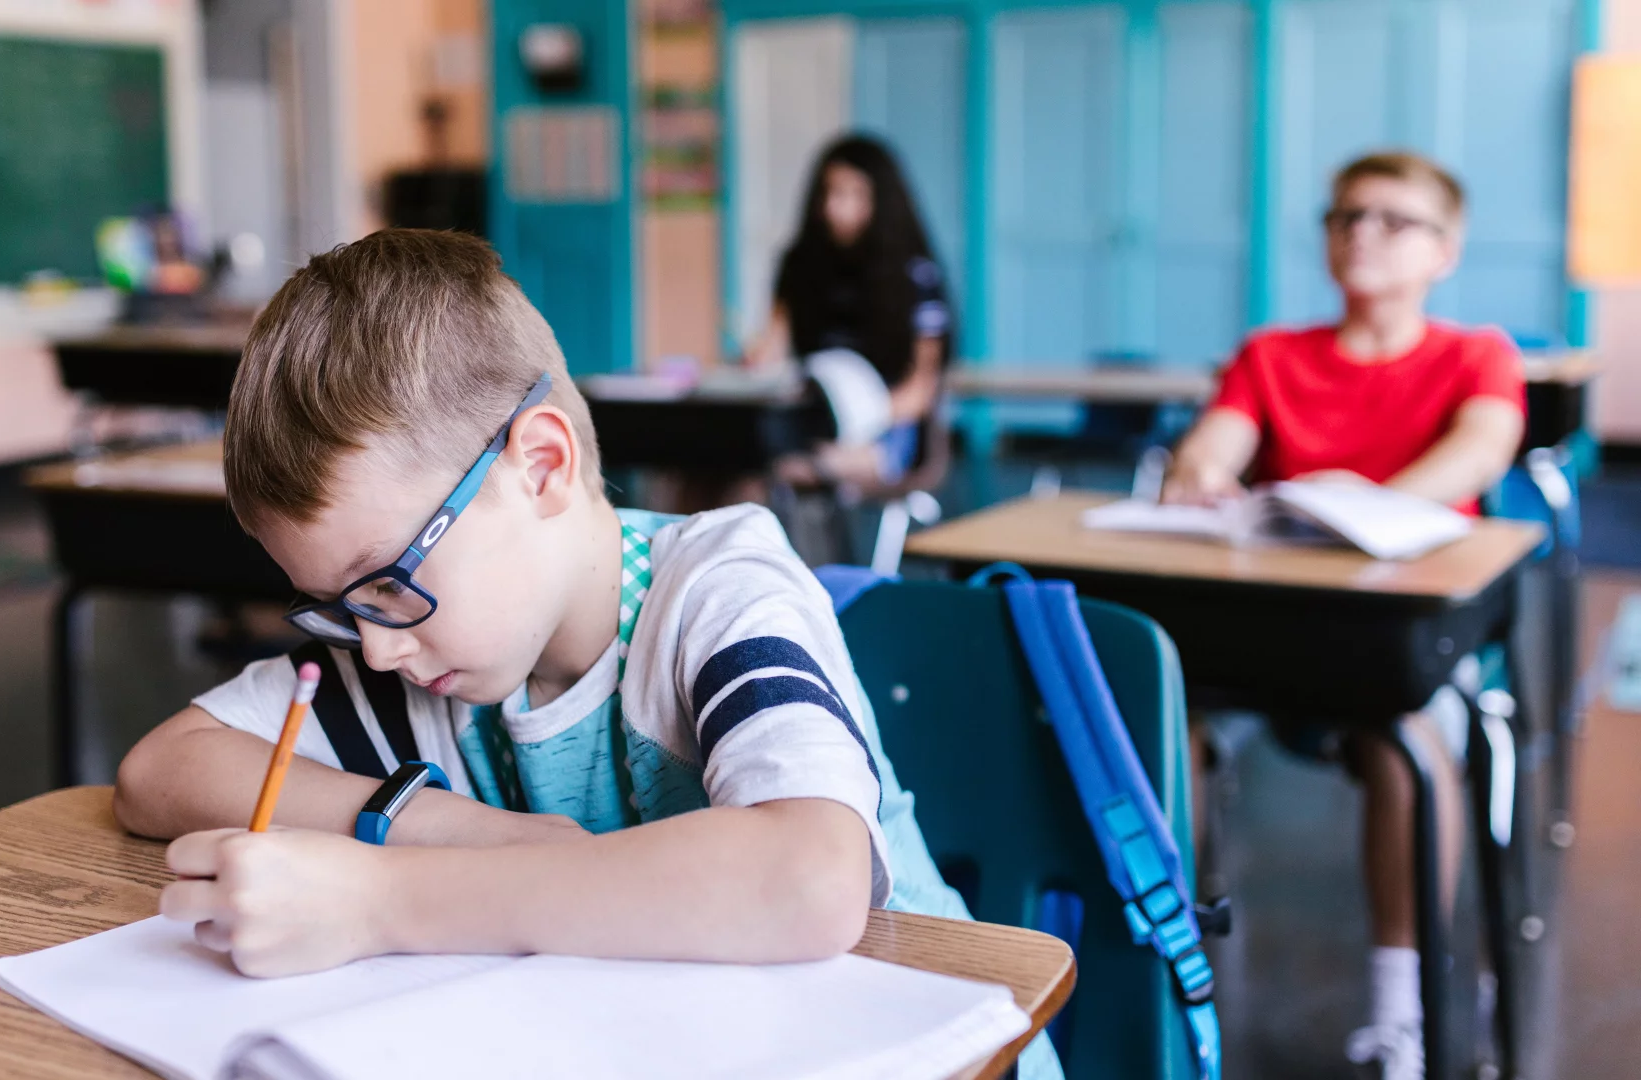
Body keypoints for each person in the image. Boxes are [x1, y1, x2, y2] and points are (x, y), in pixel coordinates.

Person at [112, 230, 1065, 1076]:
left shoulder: (717, 588)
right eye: (337, 608)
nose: (375, 645)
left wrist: (382, 898)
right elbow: (161, 770)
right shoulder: (428, 649)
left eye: (389, 584)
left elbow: (811, 881)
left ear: (541, 466)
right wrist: (431, 824)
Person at [1164, 151, 1525, 1080]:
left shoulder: (1475, 354)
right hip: (1279, 626)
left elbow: (1480, 454)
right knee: (1164, 723)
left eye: (1392, 220)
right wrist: (1199, 476)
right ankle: (1166, 970)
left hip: (1399, 639)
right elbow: (1212, 450)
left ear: (1445, 251)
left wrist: (1369, 519)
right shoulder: (1272, 355)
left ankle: (1402, 1004)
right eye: (1345, 215)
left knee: (1409, 748)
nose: (1361, 233)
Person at [747, 135, 952, 487]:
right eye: (829, 192)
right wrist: (755, 362)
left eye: (851, 193)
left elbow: (920, 388)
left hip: (883, 423)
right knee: (721, 464)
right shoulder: (798, 265)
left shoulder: (915, 275)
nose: (834, 207)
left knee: (794, 467)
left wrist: (859, 413)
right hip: (813, 411)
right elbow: (772, 348)